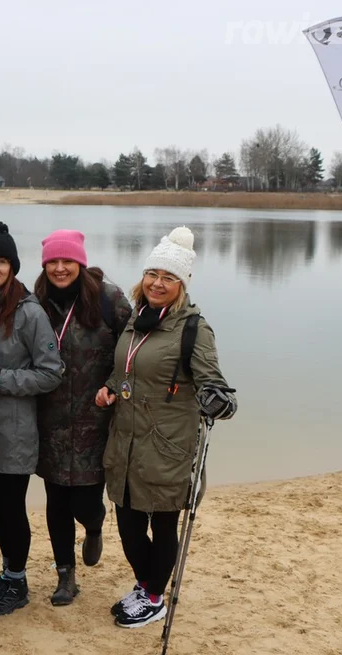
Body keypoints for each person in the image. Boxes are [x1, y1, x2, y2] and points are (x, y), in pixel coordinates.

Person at [96, 227, 237, 628]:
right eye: (153, 274)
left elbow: (215, 384)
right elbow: (124, 371)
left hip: (166, 447)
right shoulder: (135, 321)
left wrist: (219, 401)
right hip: (125, 441)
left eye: (168, 278)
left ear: (182, 284)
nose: (158, 284)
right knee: (126, 523)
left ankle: (154, 595)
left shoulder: (194, 330)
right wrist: (108, 389)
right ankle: (145, 585)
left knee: (161, 524)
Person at [0, 221, 63, 617]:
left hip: (15, 429)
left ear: (13, 267)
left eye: (1, 261)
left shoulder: (29, 312)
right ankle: (8, 574)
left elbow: (51, 372)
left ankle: (17, 581)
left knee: (9, 507)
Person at [33, 230, 132, 606]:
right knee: (56, 501)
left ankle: (94, 527)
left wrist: (112, 384)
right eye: (53, 262)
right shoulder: (35, 301)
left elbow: (133, 349)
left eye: (67, 261)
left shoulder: (109, 299)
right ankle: (65, 575)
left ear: (80, 262)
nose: (60, 268)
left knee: (86, 502)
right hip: (50, 421)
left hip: (97, 420)